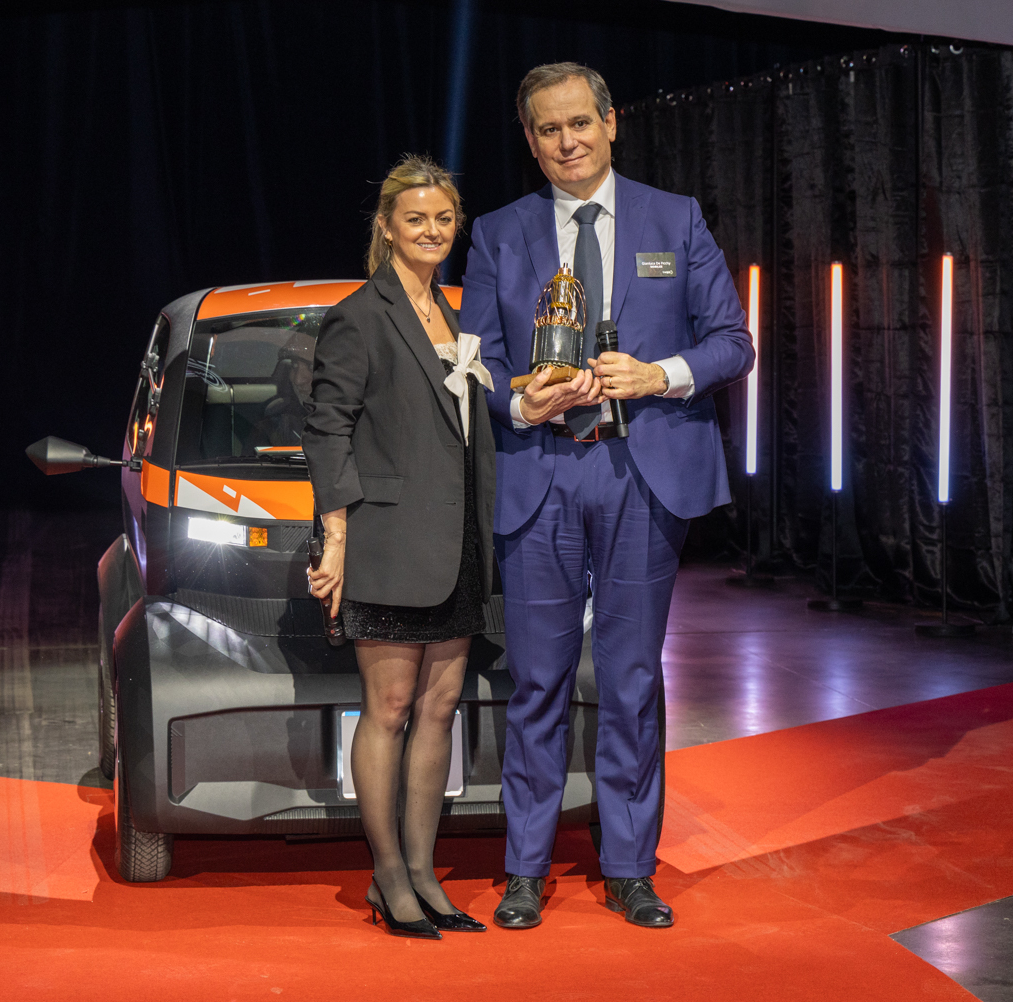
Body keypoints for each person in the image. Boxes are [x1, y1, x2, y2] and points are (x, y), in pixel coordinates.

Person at [460, 63, 754, 929]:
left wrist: (658, 374)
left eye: (581, 123)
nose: (568, 143)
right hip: (541, 473)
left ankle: (629, 867)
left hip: (641, 472)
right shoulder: (499, 233)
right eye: (549, 130)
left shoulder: (676, 218)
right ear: (530, 140)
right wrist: (520, 403)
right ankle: (524, 869)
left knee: (630, 680)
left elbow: (733, 342)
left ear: (611, 122)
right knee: (537, 682)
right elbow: (476, 363)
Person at [303, 155, 495, 940]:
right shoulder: (362, 313)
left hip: (458, 540)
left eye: (444, 219)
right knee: (386, 709)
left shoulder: (452, 310)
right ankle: (387, 876)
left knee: (439, 708)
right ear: (387, 227)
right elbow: (327, 428)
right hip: (386, 539)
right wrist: (336, 535)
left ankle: (424, 872)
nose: (432, 231)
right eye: (416, 219)